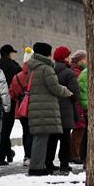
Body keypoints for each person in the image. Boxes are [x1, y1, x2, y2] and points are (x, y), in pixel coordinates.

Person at [26, 43, 72, 176]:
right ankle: (36, 168)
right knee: (41, 139)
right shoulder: (46, 68)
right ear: (47, 54)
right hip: (44, 108)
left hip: (36, 106)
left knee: (39, 138)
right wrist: (66, 91)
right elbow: (55, 87)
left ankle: (38, 166)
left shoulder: (32, 67)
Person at [46, 47, 80, 173]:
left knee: (52, 138)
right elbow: (75, 94)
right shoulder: (69, 73)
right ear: (63, 58)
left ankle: (48, 163)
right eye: (68, 56)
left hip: (52, 109)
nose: (70, 59)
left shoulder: (50, 71)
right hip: (66, 111)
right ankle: (64, 163)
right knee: (65, 139)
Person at [9, 51, 34, 165]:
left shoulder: (17, 77)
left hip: (22, 109)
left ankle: (27, 156)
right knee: (34, 132)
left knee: (26, 132)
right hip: (35, 107)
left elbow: (12, 94)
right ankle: (34, 155)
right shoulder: (36, 74)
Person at [0, 44, 22, 165]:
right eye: (13, 52)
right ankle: (3, 154)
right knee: (6, 129)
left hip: (1, 103)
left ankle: (7, 152)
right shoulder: (13, 67)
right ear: (8, 53)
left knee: (2, 130)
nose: (14, 54)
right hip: (9, 102)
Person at [69, 50, 87, 164]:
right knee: (79, 129)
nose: (87, 62)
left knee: (79, 129)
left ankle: (75, 153)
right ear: (79, 60)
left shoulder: (77, 71)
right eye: (85, 59)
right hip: (78, 105)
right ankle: (75, 154)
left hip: (77, 105)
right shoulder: (76, 72)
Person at [77, 60, 89, 166]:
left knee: (87, 133)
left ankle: (84, 157)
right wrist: (87, 106)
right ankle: (85, 157)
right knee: (87, 133)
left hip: (88, 106)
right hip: (89, 107)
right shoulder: (86, 73)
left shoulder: (85, 72)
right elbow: (83, 92)